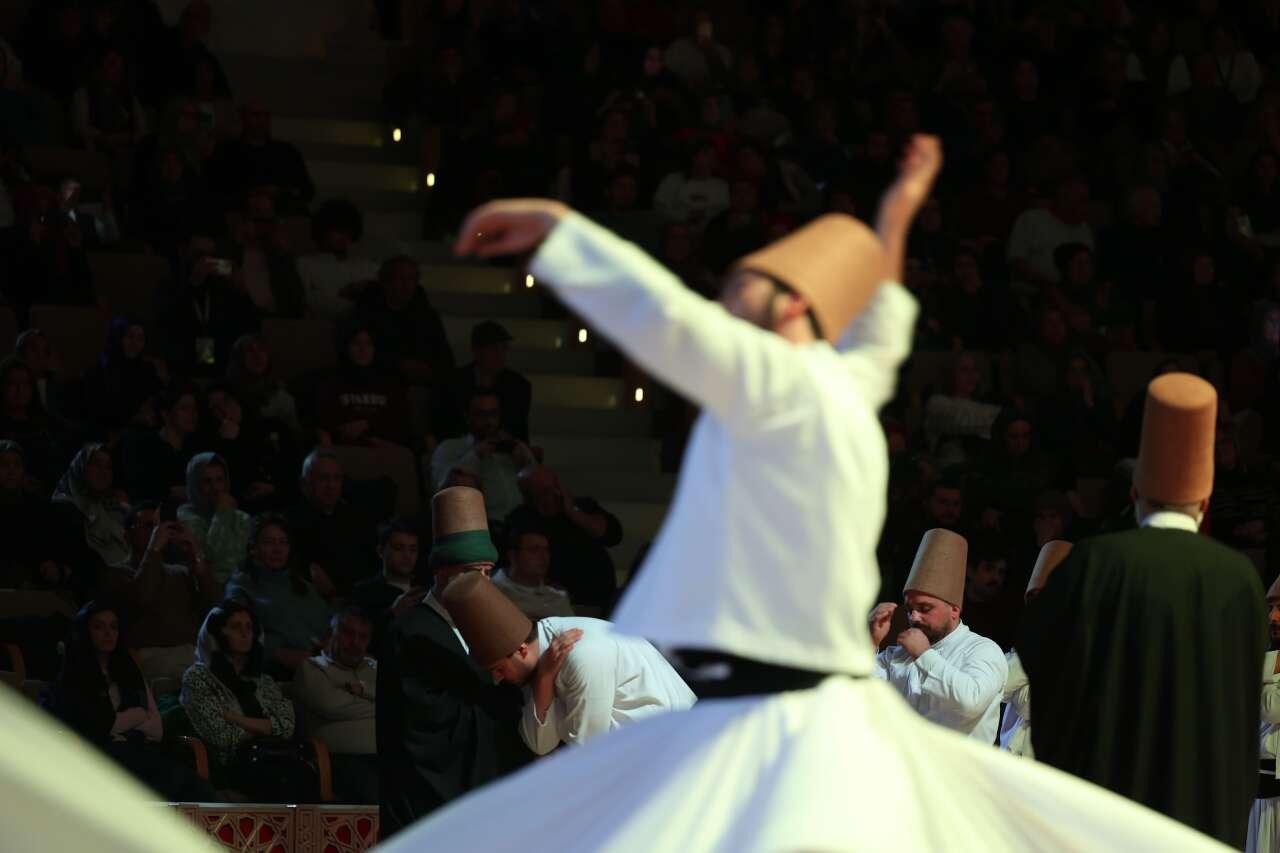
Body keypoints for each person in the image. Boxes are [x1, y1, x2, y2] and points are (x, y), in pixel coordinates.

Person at [384, 137, 1230, 853]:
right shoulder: (815, 383)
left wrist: (564, 237)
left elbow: (698, 317)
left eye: (761, 304)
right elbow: (687, 318)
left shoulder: (811, 384)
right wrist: (896, 210)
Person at [1018, 373, 1268, 846]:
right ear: (1205, 503)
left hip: (1108, 816)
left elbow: (1038, 652)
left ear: (1134, 496)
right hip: (1202, 822)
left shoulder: (1094, 562)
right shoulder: (1239, 579)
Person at [376, 487, 532, 837]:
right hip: (428, 804)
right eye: (471, 572)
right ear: (442, 573)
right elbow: (423, 726)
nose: (482, 584)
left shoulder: (486, 629)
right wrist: (495, 693)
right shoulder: (413, 631)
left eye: (488, 572)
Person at [443, 572, 695, 755]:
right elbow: (539, 744)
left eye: (498, 668)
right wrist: (543, 680)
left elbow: (587, 752)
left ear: (520, 650)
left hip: (672, 751)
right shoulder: (540, 657)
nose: (497, 678)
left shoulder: (581, 654)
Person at [44, 601, 214, 802]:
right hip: (98, 757)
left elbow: (156, 729)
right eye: (99, 626)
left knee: (191, 783)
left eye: (113, 626)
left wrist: (118, 725)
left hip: (136, 750)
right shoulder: (75, 676)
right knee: (170, 779)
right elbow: (101, 725)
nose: (108, 633)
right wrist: (139, 715)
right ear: (85, 631)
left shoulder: (128, 670)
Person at [869, 529, 1007, 741]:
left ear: (954, 610)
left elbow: (970, 701)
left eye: (924, 609)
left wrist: (924, 656)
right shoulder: (898, 654)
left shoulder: (983, 650)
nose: (914, 617)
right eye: (910, 609)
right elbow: (862, 695)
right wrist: (871, 642)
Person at [180, 600, 317, 802]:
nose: (245, 634)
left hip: (272, 755)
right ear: (217, 634)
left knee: (302, 775)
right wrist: (267, 726)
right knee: (286, 779)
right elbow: (222, 736)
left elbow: (287, 726)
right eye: (236, 627)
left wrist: (235, 718)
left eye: (249, 627)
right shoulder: (197, 678)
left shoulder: (262, 680)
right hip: (231, 763)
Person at [100, 502, 222, 682]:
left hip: (192, 655)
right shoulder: (116, 573)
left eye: (159, 527)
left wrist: (196, 555)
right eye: (149, 526)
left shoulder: (181, 572)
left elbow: (214, 610)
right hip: (151, 659)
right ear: (127, 536)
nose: (156, 532)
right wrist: (154, 548)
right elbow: (142, 598)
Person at [226, 513, 334, 678]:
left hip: (326, 661)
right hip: (281, 672)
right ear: (253, 547)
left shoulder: (299, 582)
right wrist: (278, 654)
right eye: (269, 542)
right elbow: (235, 634)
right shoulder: (241, 586)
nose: (277, 549)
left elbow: (328, 620)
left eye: (283, 542)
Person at [504, 465, 624, 611]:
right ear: (529, 495)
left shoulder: (582, 506)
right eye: (545, 491)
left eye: (555, 486)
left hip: (600, 595)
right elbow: (518, 562)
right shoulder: (522, 518)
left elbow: (613, 536)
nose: (554, 493)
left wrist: (573, 511)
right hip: (552, 599)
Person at [291, 607, 378, 804]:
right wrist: (382, 707)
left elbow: (401, 704)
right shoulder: (312, 668)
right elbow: (330, 706)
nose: (355, 642)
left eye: (362, 637)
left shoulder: (375, 668)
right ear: (331, 634)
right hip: (338, 758)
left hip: (387, 756)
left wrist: (362, 691)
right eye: (348, 633)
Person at [999, 540, 1072, 758]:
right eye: (1034, 600)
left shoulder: (1080, 646)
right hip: (1008, 755)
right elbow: (995, 685)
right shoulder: (1027, 639)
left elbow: (1040, 706)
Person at [284, 449, 379, 596]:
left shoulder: (357, 518)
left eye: (337, 478)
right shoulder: (290, 521)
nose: (331, 485)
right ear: (305, 484)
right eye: (323, 478)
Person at [431, 389, 535, 522]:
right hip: (480, 523)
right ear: (468, 417)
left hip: (523, 522)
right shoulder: (450, 447)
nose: (489, 420)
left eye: (494, 413)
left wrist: (525, 457)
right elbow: (439, 488)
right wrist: (475, 455)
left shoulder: (511, 447)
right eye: (482, 414)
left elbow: (540, 483)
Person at [348, 255, 455, 386]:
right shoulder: (365, 313)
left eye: (411, 279)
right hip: (378, 381)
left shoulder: (427, 316)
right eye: (400, 278)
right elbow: (356, 353)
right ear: (385, 282)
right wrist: (397, 364)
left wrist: (429, 369)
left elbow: (444, 355)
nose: (406, 285)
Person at [435, 321, 533, 442]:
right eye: (493, 348)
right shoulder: (452, 382)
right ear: (476, 350)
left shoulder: (518, 386)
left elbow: (518, 429)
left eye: (504, 348)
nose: (500, 354)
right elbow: (444, 424)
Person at [114, 383, 199, 503]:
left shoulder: (194, 452)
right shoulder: (143, 445)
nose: (193, 414)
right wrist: (168, 492)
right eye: (185, 408)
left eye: (194, 408)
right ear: (166, 414)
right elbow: (138, 486)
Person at [351, 517, 425, 654]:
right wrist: (393, 613)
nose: (407, 556)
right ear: (381, 551)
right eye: (399, 548)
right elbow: (359, 641)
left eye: (413, 549)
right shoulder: (364, 592)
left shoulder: (425, 588)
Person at [296, 199, 379, 320]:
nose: (344, 236)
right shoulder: (304, 264)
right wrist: (344, 294)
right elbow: (308, 304)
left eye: (348, 231)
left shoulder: (367, 265)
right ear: (323, 230)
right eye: (339, 230)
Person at [177, 452, 252, 585]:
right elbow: (210, 557)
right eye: (207, 481)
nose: (215, 488)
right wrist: (222, 513)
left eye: (219, 480)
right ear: (194, 484)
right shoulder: (184, 517)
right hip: (205, 590)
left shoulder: (242, 518)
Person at [1249, 575, 1280, 853]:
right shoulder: (1269, 658)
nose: (1274, 616)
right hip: (1261, 794)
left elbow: (1270, 708)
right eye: (1271, 607)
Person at [491, 522, 574, 620]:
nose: (543, 557)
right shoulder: (492, 591)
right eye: (534, 550)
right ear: (512, 556)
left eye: (546, 550)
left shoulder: (558, 596)